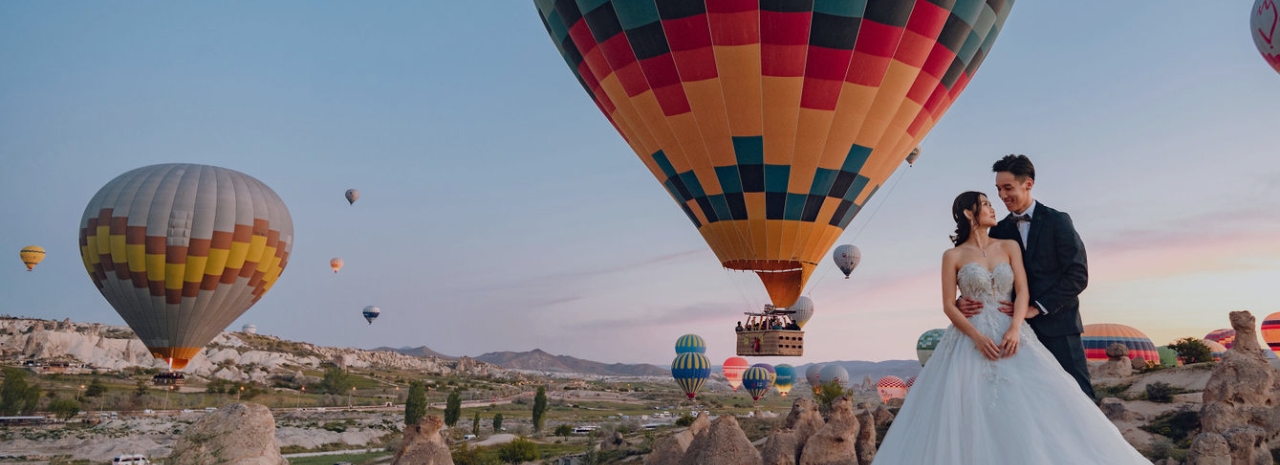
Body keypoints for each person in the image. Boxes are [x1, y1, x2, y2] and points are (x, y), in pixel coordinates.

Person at [872, 192, 1148, 464]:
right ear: (969, 214)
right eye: (985, 204)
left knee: (1042, 400)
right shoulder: (952, 255)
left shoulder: (1008, 246)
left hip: (1012, 332)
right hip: (971, 337)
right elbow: (948, 305)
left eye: (994, 202)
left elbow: (1023, 291)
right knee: (968, 408)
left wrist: (1016, 327)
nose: (993, 208)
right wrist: (977, 338)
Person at [957, 154, 1094, 398]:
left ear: (1028, 183)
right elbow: (981, 269)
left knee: (1078, 397)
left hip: (1059, 326)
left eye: (1008, 188)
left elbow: (1078, 275)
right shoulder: (999, 230)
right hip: (1011, 332)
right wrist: (962, 300)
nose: (1001, 196)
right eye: (998, 189)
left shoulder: (1057, 221)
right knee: (1030, 401)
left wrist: (1037, 307)